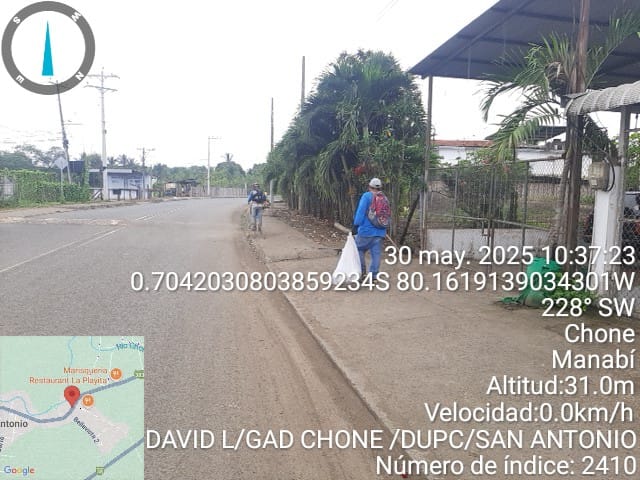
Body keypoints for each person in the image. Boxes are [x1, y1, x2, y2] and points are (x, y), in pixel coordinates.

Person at [352, 177, 388, 281]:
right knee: (376, 254)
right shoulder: (384, 198)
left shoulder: (366, 196)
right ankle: (374, 276)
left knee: (358, 249)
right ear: (380, 188)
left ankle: (362, 273)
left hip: (366, 231)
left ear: (369, 187)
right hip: (380, 232)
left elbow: (360, 212)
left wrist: (356, 224)